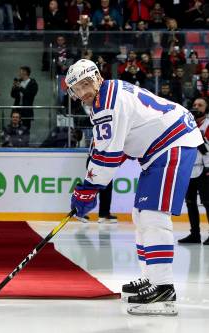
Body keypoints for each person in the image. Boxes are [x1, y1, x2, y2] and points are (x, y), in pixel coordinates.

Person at [65, 59, 202, 316]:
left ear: (97, 77)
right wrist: (88, 185)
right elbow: (102, 147)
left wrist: (88, 188)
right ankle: (152, 279)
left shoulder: (106, 103)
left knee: (153, 215)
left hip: (172, 143)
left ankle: (163, 290)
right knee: (141, 215)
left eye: (86, 84)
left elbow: (108, 157)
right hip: (161, 148)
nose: (83, 91)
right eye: (77, 88)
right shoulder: (103, 98)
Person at [178, 98, 209, 245]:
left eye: (200, 105)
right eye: (194, 105)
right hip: (189, 169)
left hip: (205, 170)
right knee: (190, 203)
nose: (196, 107)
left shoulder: (208, 125)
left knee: (208, 203)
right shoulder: (187, 125)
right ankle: (194, 234)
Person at [10, 66, 38, 131]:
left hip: (26, 110)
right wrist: (13, 88)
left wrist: (20, 87)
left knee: (26, 128)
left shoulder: (33, 84)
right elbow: (13, 95)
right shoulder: (19, 81)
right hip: (17, 109)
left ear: (25, 72)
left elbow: (30, 95)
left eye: (20, 72)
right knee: (14, 128)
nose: (19, 74)